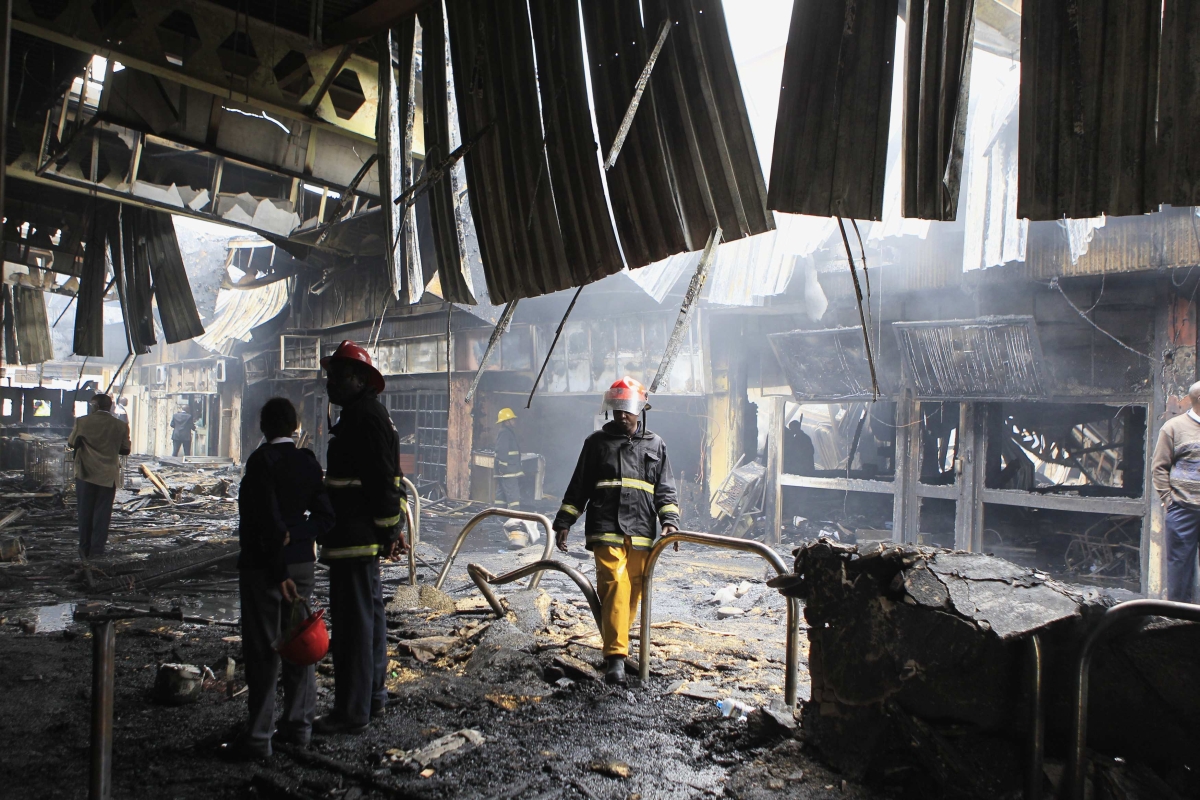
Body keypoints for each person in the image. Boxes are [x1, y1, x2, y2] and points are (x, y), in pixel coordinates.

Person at [223, 398, 335, 760]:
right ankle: (299, 727)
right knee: (301, 648)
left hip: (264, 569)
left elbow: (261, 523)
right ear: (295, 426)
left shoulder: (259, 463)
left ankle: (259, 738)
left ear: (263, 427)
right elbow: (325, 517)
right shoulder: (307, 462)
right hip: (302, 566)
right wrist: (299, 533)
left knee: (262, 651)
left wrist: (279, 553)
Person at [553, 377, 679, 685]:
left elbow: (665, 488)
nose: (622, 416)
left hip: (641, 531)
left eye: (628, 410)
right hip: (606, 527)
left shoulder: (655, 444)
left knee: (634, 588)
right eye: (617, 410)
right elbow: (579, 484)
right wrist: (564, 521)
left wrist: (670, 521)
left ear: (640, 410)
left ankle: (619, 643)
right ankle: (616, 658)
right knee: (615, 586)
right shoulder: (595, 443)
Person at [316, 341, 408, 735]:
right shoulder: (367, 415)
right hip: (360, 537)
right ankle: (372, 698)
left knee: (354, 628)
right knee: (369, 620)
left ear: (358, 379)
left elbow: (381, 482)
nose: (330, 383)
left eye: (337, 375)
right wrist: (392, 529)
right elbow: (389, 481)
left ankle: (351, 712)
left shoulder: (363, 419)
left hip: (353, 538)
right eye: (330, 375)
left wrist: (391, 529)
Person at [67, 394, 131, 559]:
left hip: (86, 474)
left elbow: (71, 443)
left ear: (94, 406)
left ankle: (84, 549)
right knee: (102, 514)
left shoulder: (82, 422)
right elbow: (125, 450)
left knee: (85, 512)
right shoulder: (120, 425)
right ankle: (97, 551)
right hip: (108, 476)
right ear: (110, 407)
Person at [1153, 380, 1200, 602]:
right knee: (1180, 567)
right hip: (1183, 509)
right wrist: (1167, 499)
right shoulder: (1174, 427)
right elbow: (1159, 467)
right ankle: (1178, 622)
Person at [494, 408, 539, 549]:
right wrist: (504, 467)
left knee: (501, 495)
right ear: (506, 421)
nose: (514, 421)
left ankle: (499, 516)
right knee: (513, 496)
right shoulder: (505, 434)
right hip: (508, 471)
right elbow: (502, 452)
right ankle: (515, 519)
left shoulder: (505, 432)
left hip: (506, 470)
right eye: (512, 419)